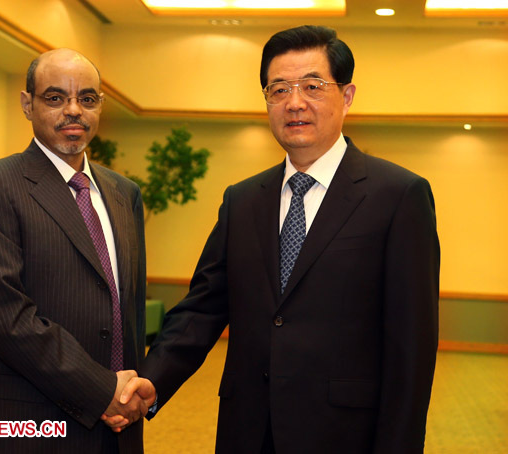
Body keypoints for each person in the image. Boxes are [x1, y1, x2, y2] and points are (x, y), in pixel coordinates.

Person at [124, 25, 440, 453]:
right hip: (248, 431)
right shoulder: (242, 200)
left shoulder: (398, 195)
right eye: (278, 89)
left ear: (346, 96)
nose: (295, 102)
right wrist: (151, 379)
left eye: (312, 85)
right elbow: (202, 307)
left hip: (344, 436)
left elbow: (412, 351)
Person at [0, 48, 153, 453]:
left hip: (115, 430)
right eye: (54, 97)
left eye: (87, 98)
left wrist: (129, 395)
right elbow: (6, 318)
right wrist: (102, 391)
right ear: (28, 104)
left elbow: (127, 311)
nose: (73, 110)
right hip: (26, 425)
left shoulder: (124, 194)